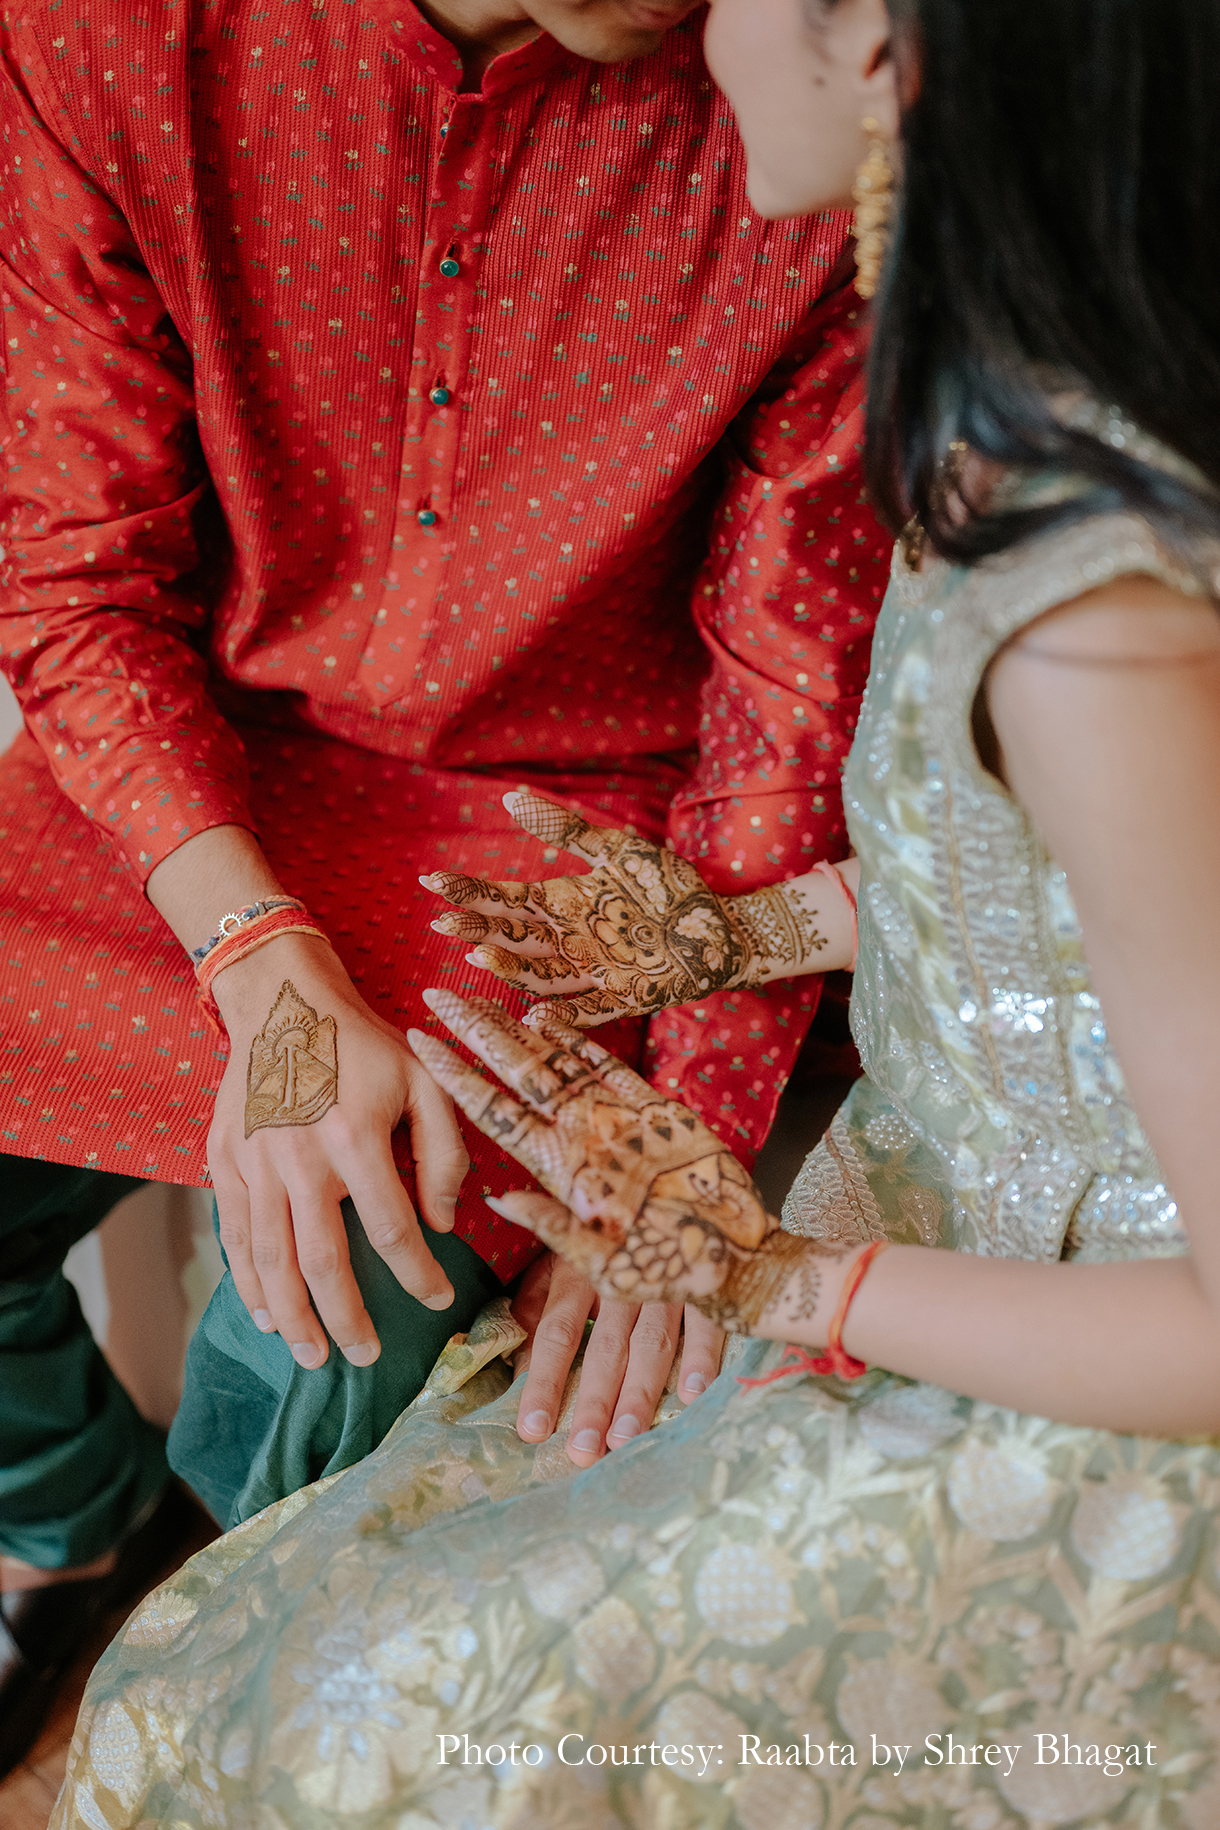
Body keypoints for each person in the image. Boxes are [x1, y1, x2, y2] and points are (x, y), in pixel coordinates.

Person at [52, 0, 1220, 1824]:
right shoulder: (1013, 428)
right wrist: (740, 936)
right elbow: (1036, 893)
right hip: (940, 1235)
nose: (697, 26)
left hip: (1084, 1392)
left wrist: (781, 1278)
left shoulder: (1088, 609)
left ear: (876, 50)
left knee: (347, 1699)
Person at [0, 0, 892, 1770]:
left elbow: (784, 713)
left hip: (576, 853)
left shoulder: (789, 84)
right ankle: (89, 1538)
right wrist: (264, 961)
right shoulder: (100, 35)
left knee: (341, 1279)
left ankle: (195, 1694)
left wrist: (679, 1156)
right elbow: (76, 581)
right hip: (204, 787)